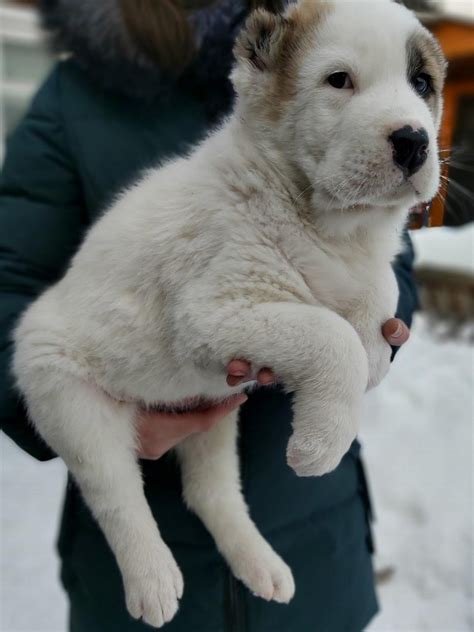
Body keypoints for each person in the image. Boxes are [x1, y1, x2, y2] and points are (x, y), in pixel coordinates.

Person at [0, 1, 416, 630]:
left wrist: (380, 318)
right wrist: (84, 428)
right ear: (256, 71)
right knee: (50, 355)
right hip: (105, 379)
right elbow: (9, 281)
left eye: (421, 85)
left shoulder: (333, 27)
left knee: (217, 465)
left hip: (314, 539)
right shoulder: (79, 92)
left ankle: (231, 523)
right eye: (339, 82)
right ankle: (134, 535)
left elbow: (386, 260)